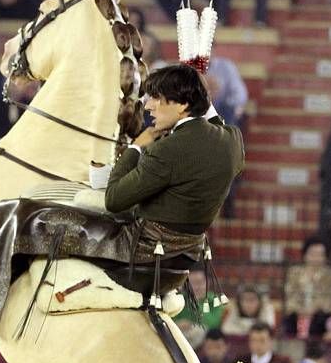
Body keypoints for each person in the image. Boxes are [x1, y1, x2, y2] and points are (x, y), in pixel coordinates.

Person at [103, 64, 244, 271]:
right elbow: (214, 122)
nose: (149, 106)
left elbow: (113, 199)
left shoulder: (166, 150)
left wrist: (135, 147)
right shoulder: (233, 140)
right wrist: (198, 90)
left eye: (157, 98)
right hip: (190, 253)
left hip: (148, 249)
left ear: (182, 105)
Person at [283, 237, 331, 337]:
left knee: (321, 319)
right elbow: (290, 296)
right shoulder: (294, 273)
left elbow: (330, 299)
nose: (316, 258)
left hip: (320, 316)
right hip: (297, 314)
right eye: (312, 254)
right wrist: (301, 310)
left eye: (320, 255)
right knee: (289, 319)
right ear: (305, 255)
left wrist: (314, 308)